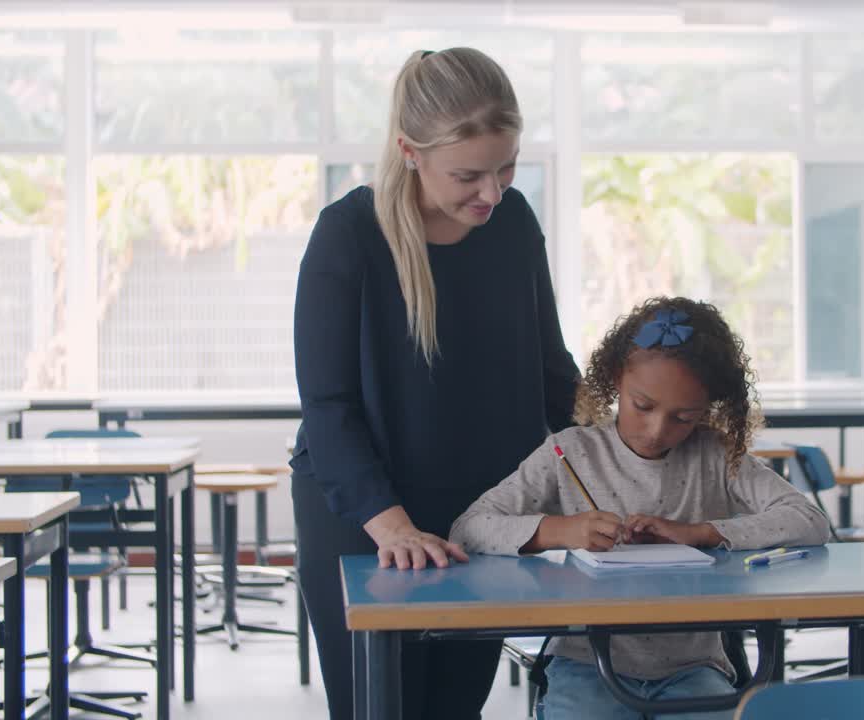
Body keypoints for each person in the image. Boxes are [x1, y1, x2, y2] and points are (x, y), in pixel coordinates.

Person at [290, 47, 579, 719]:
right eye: (468, 175)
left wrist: (621, 466)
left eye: (506, 167)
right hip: (364, 515)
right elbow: (328, 407)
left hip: (478, 514)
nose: (493, 192)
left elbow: (552, 374)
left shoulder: (511, 223)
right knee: (380, 709)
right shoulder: (348, 235)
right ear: (409, 150)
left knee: (453, 710)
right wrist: (392, 526)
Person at [450, 296, 830, 720]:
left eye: (684, 417)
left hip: (693, 669)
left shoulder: (715, 455)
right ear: (616, 378)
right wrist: (560, 531)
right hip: (585, 665)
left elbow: (811, 520)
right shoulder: (569, 451)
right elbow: (469, 529)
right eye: (643, 406)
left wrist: (701, 532)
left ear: (708, 408)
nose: (656, 431)